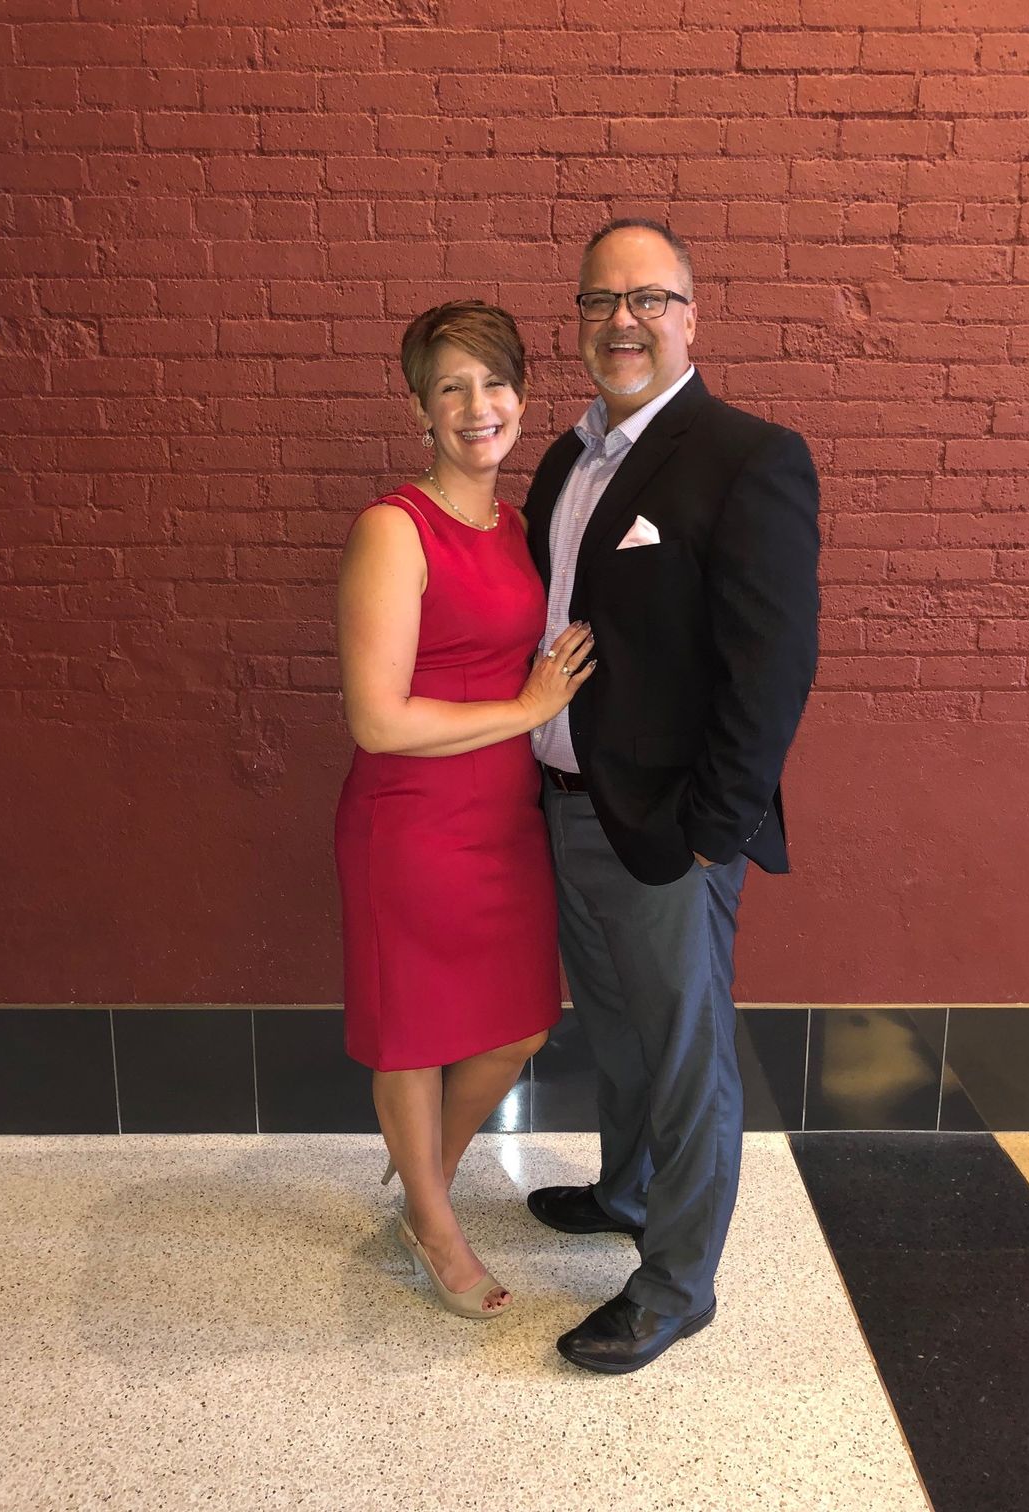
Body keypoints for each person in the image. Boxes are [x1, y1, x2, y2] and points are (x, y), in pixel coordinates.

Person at [523, 220, 820, 1373]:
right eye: (600, 301)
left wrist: (714, 832)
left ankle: (678, 1282)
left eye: (649, 298)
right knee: (622, 1030)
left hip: (667, 831)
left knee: (688, 1053)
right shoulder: (566, 459)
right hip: (564, 802)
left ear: (692, 317)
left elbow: (774, 663)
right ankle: (628, 1191)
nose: (622, 322)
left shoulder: (747, 455)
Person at [335, 301, 595, 1320]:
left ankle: (423, 1185)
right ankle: (437, 1226)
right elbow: (377, 718)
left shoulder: (520, 528)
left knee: (522, 1024)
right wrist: (526, 706)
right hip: (411, 818)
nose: (475, 405)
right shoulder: (394, 529)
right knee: (413, 1036)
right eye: (450, 387)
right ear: (419, 409)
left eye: (492, 382)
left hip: (504, 818)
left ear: (522, 399)